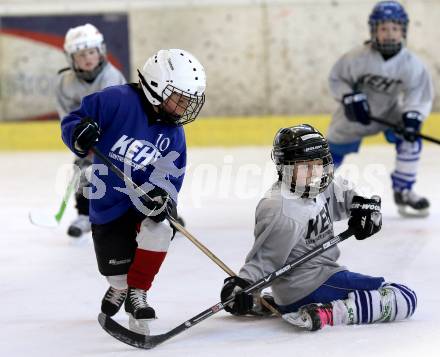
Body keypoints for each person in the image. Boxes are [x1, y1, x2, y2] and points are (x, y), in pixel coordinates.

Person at [60, 49, 206, 333]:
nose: (185, 105)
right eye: (180, 97)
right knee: (116, 272)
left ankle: (138, 292)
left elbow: (171, 174)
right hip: (107, 199)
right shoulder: (115, 101)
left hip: (143, 199)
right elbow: (72, 122)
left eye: (189, 99)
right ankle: (120, 287)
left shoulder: (174, 134)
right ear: (155, 87)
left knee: (162, 226)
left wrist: (163, 196)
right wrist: (78, 133)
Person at [220, 124, 417, 331]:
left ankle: (291, 305)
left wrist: (363, 207)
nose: (314, 172)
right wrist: (242, 285)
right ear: (284, 167)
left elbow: (344, 193)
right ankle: (326, 314)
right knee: (404, 298)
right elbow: (265, 259)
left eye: (318, 164)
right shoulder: (280, 208)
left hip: (316, 280)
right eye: (304, 166)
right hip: (308, 286)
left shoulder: (317, 186)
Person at [326, 1, 434, 217]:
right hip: (354, 117)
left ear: (403, 30)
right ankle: (312, 193)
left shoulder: (411, 63)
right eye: (383, 28)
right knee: (329, 154)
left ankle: (403, 190)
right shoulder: (357, 57)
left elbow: (418, 94)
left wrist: (412, 119)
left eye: (395, 28)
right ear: (374, 30)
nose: (390, 34)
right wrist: (349, 97)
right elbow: (337, 78)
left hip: (388, 113)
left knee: (411, 140)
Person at [55, 23, 127, 237]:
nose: (87, 58)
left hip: (115, 137)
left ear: (100, 51)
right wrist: (77, 137)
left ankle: (148, 211)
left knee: (129, 173)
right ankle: (84, 215)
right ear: (71, 58)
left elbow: (118, 114)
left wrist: (104, 138)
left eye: (91, 52)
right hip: (85, 139)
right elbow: (66, 115)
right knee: (83, 172)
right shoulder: (65, 82)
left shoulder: (112, 78)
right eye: (80, 54)